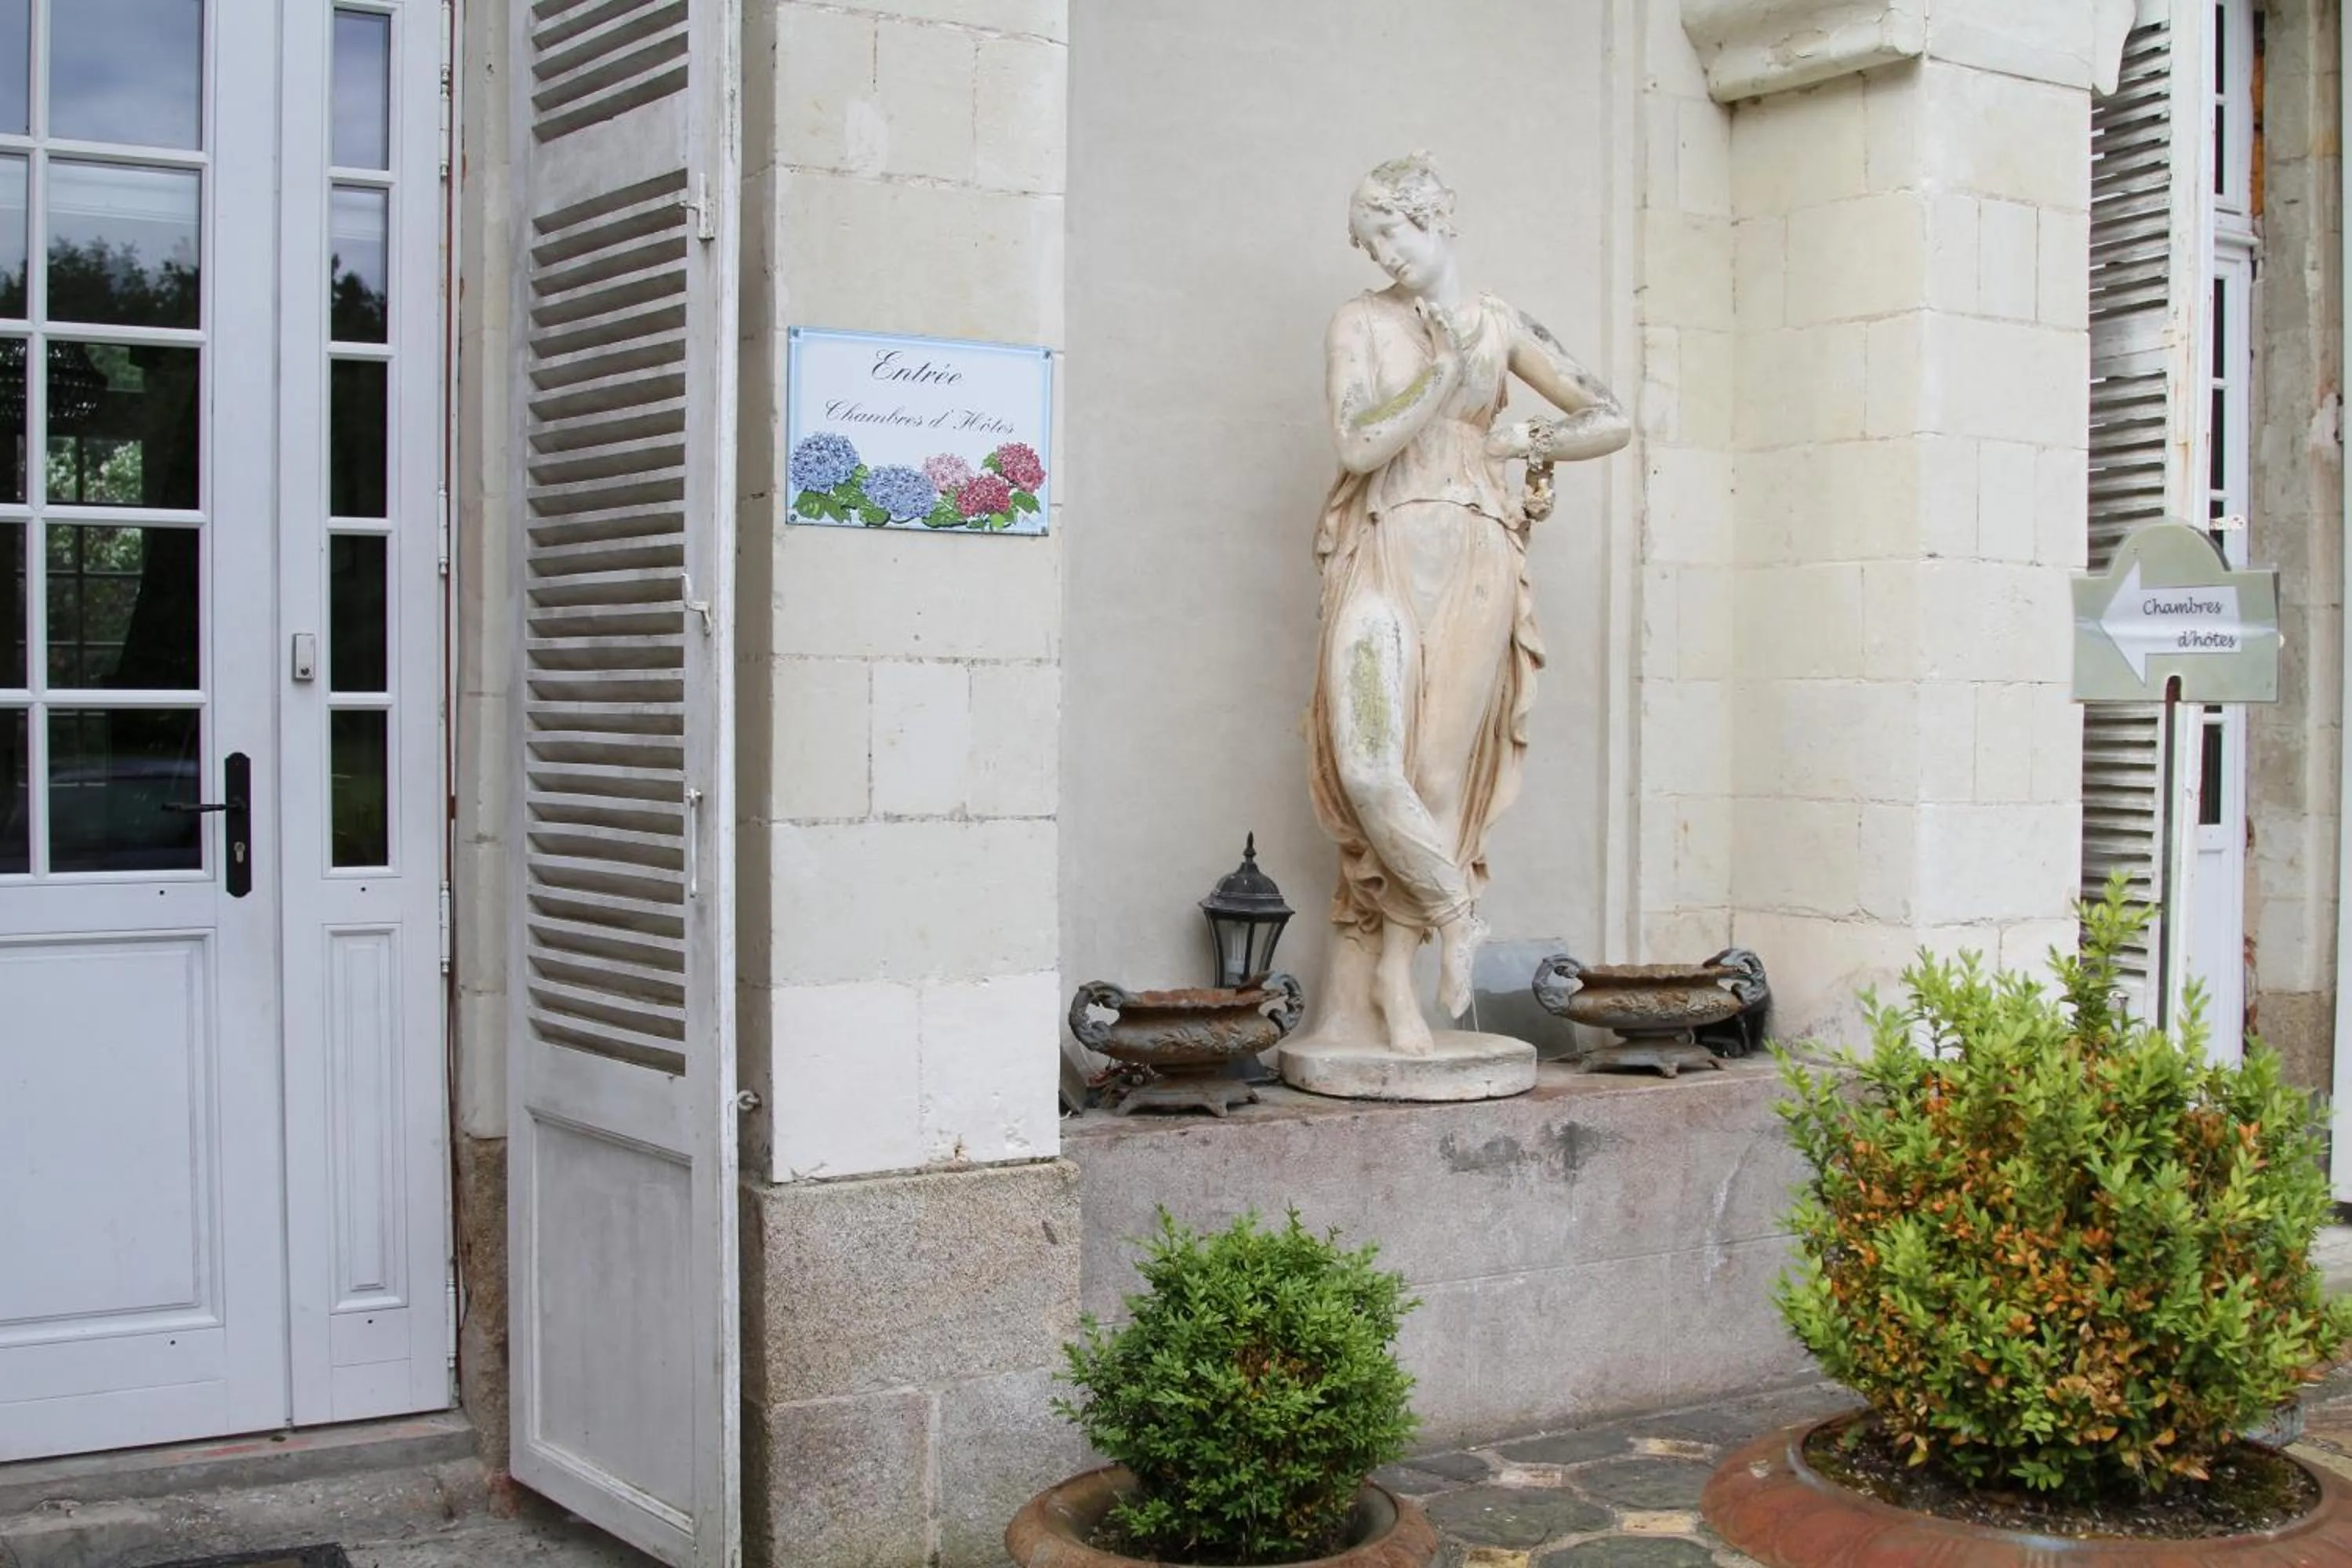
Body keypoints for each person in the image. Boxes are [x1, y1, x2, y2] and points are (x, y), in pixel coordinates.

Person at [1300, 154, 1630, 1057]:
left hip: (1478, 551)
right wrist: (1440, 379)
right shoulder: (1360, 323)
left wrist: (1532, 437)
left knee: (1440, 778)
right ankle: (1456, 914)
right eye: (1371, 244)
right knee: (1370, 762)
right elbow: (1360, 441)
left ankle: (1399, 994)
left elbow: (1610, 415)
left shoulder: (1499, 323)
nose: (1385, 257)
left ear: (1435, 217)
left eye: (1394, 234)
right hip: (1383, 548)